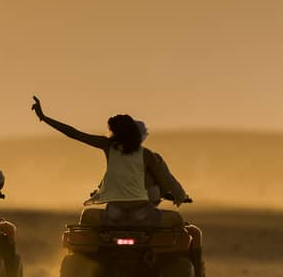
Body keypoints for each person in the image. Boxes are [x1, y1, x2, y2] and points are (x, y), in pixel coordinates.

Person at [30, 95, 190, 225]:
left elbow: (74, 133)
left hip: (114, 212)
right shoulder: (147, 155)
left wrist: (44, 118)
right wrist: (165, 194)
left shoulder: (108, 146)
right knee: (176, 221)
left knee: (88, 219)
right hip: (141, 213)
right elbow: (163, 183)